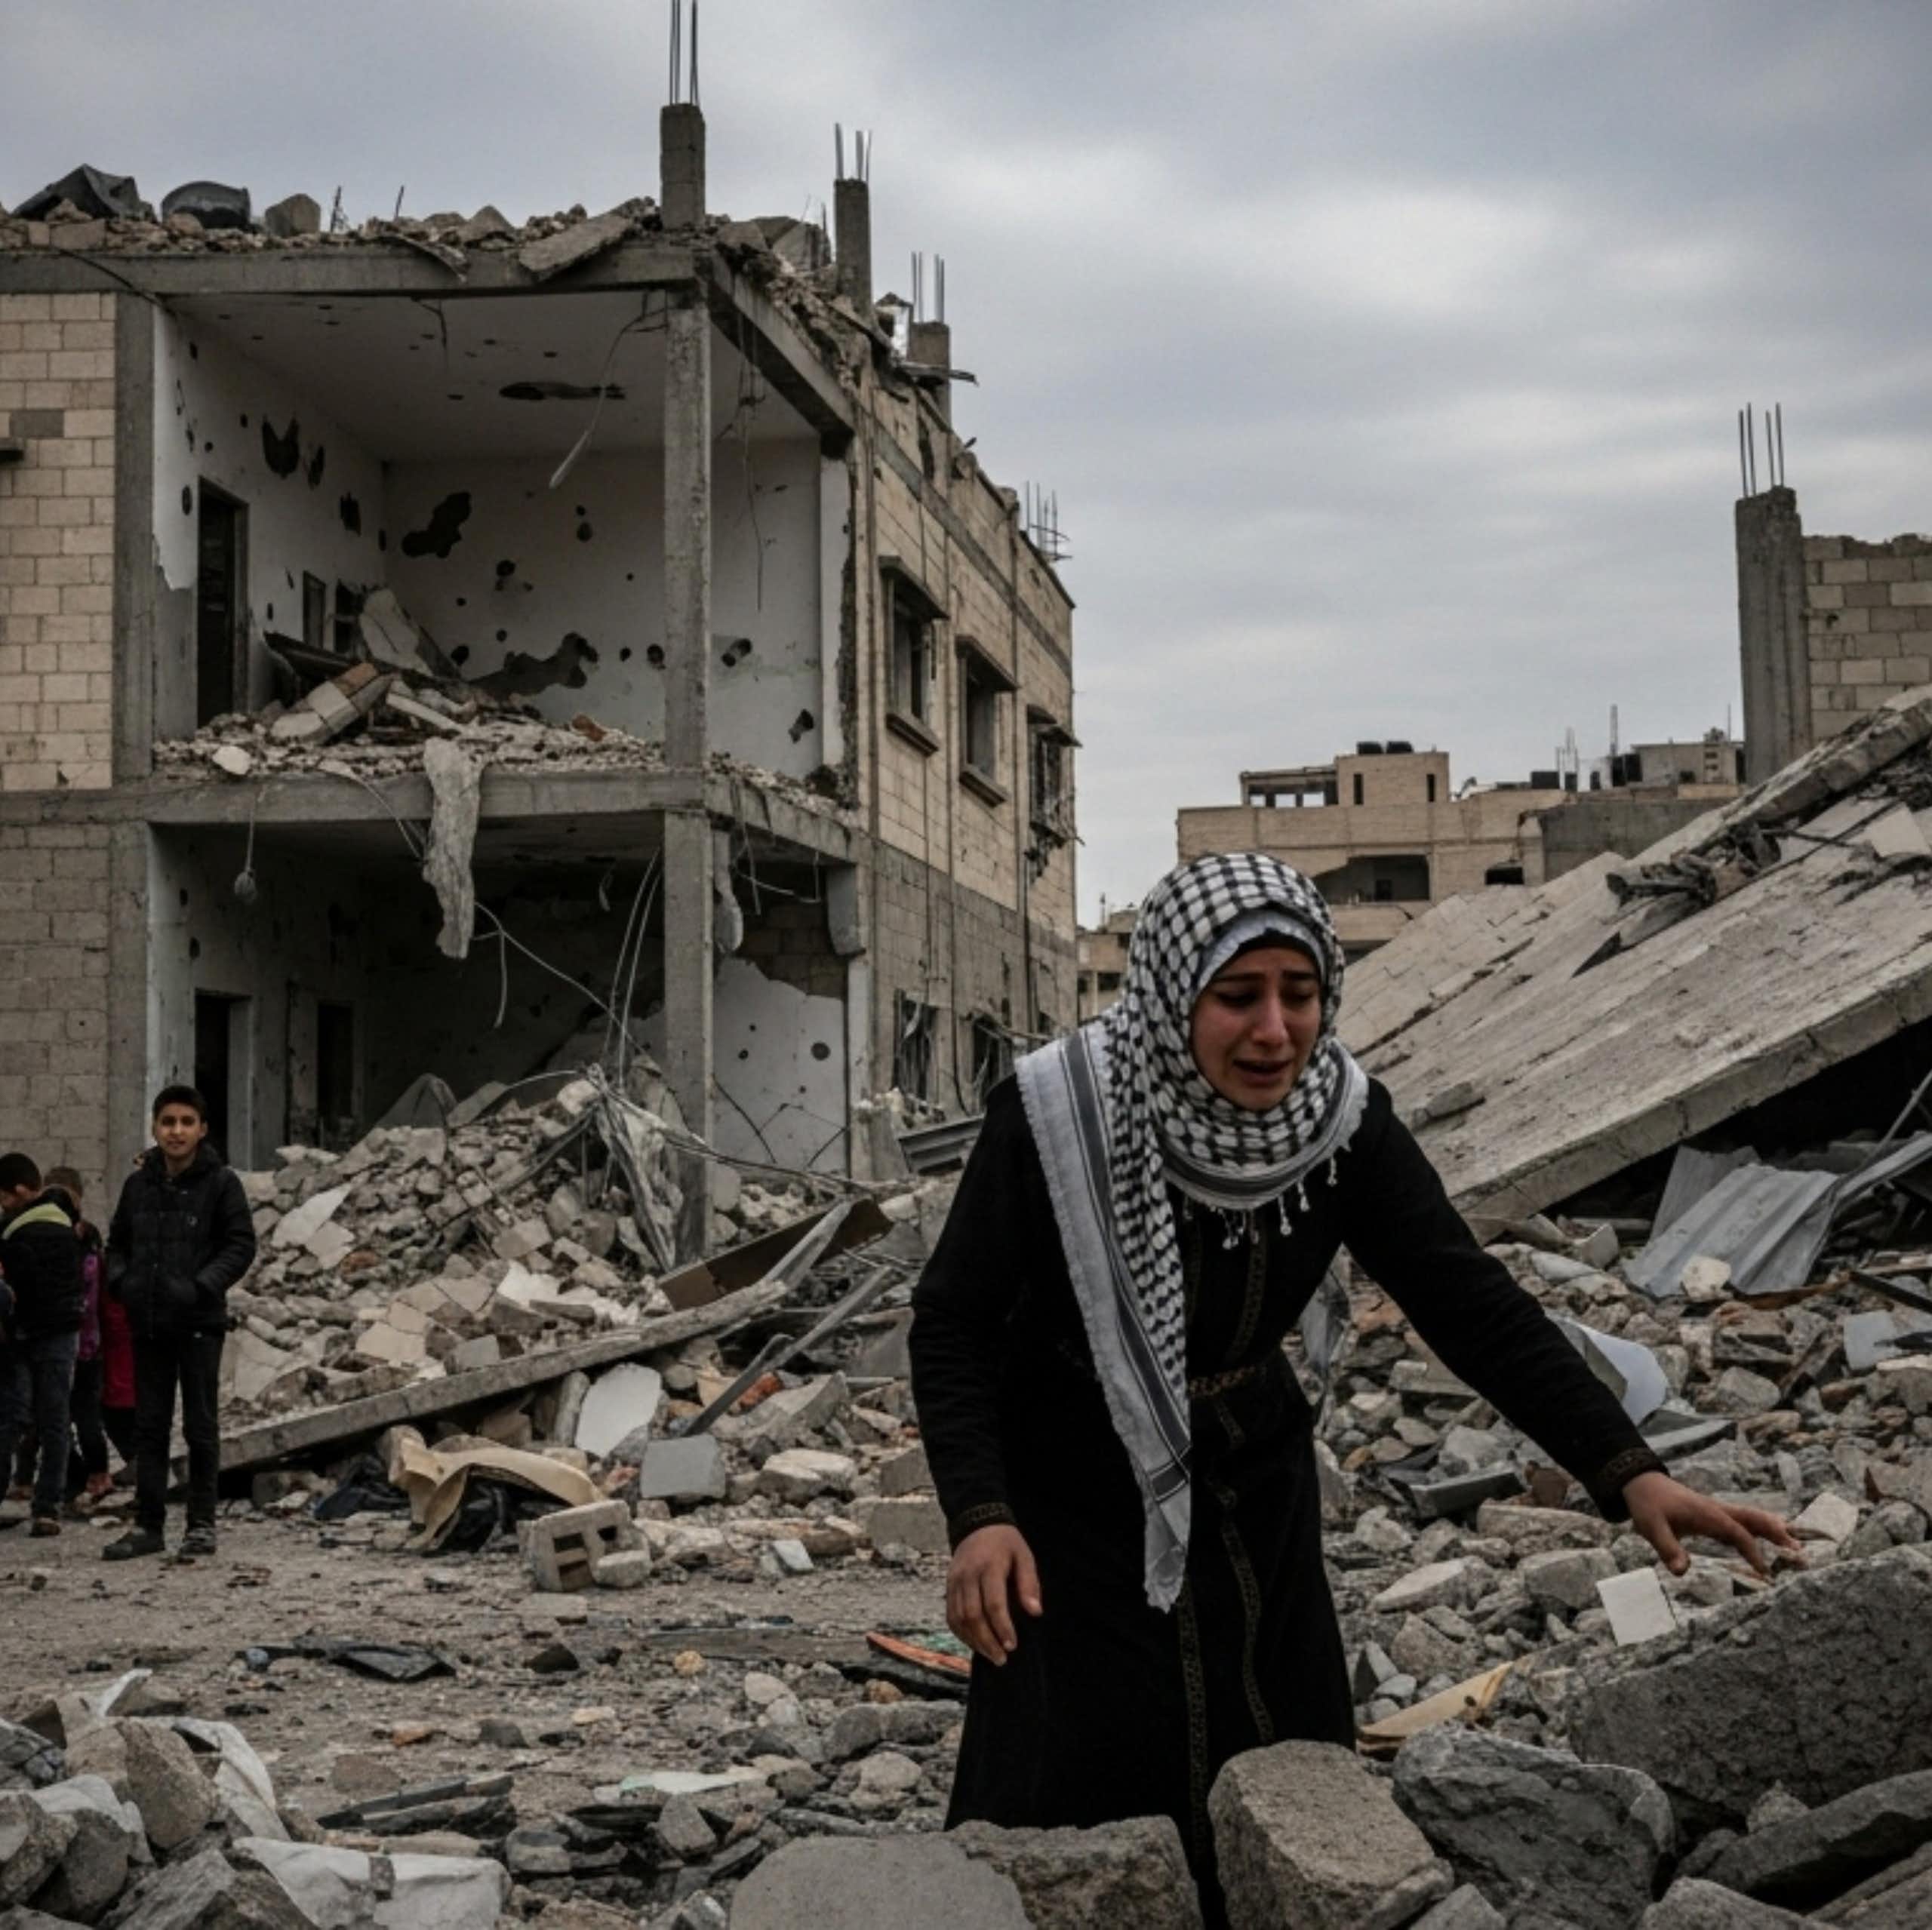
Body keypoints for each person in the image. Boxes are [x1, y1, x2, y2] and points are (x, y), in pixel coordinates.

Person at [909, 853, 1800, 1922]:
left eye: (1302, 994)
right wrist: (981, 1515)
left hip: (1254, 1481)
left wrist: (1629, 1470)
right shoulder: (1059, 1118)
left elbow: (1467, 1298)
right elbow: (952, 1323)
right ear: (1170, 994)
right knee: (1081, 1790)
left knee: (1289, 1771)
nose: (1275, 1030)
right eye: (1237, 997)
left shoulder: (1339, 1121)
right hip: (1075, 1492)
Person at [103, 1087, 256, 1560]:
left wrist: (200, 1287)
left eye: (187, 1122)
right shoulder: (138, 1185)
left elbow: (239, 1245)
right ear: (154, 1127)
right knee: (149, 1428)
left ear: (202, 1130)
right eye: (168, 1121)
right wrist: (121, 1282)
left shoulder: (221, 1184)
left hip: (198, 1324)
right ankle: (148, 1525)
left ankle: (201, 1525)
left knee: (200, 1426)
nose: (177, 1131)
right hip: (148, 1323)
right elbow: (118, 1243)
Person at [0, 1153, 84, 1538]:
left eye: (3, 1197)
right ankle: (47, 1507)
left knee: (13, 1419)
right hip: (62, 1335)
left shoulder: (15, 1234)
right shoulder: (71, 1229)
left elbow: (19, 1290)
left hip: (23, 1336)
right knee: (55, 1421)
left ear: (18, 1192)